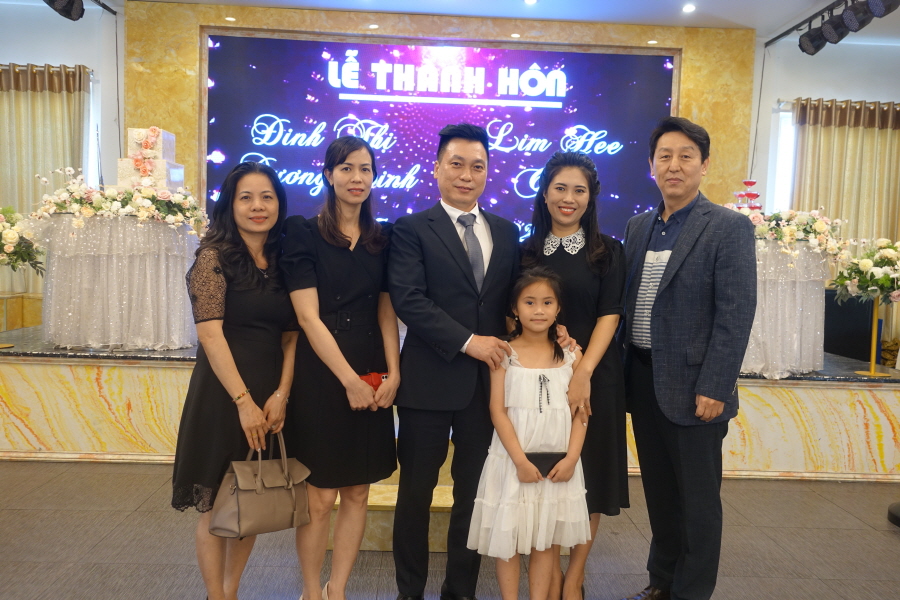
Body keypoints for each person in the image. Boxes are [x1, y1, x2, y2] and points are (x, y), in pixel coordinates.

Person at [619, 117, 756, 600]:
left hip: (697, 388)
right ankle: (662, 581)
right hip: (643, 380)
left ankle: (691, 592)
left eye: (685, 156)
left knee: (697, 502)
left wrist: (715, 385)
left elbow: (736, 314)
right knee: (659, 494)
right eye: (665, 156)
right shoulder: (638, 226)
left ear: (704, 165)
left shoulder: (728, 227)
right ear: (651, 165)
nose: (673, 165)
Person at [388, 123, 522, 600]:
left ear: (488, 172)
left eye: (477, 166)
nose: (467, 175)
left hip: (486, 390)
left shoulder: (506, 231)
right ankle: (410, 591)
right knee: (415, 494)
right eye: (457, 164)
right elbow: (409, 299)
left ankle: (460, 590)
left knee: (474, 495)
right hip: (427, 383)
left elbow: (513, 301)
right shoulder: (410, 229)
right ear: (437, 168)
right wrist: (469, 342)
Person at [171, 162, 299, 600]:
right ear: (230, 205)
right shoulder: (213, 258)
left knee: (249, 500)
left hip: (269, 397)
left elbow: (291, 337)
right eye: (246, 197)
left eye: (267, 197)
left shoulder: (282, 262)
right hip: (223, 396)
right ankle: (217, 595)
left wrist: (281, 393)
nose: (258, 206)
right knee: (215, 504)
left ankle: (232, 590)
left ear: (279, 204)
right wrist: (244, 402)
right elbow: (210, 335)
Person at [281, 136, 400, 600]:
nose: (357, 178)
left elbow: (386, 310)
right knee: (320, 495)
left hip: (372, 366)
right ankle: (311, 590)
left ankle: (339, 589)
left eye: (365, 169)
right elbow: (307, 317)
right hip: (323, 373)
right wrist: (348, 380)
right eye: (347, 168)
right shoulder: (303, 232)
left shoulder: (382, 238)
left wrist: (394, 372)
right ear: (329, 174)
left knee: (357, 492)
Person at [521, 151, 628, 600]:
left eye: (579, 190)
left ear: (591, 197)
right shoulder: (524, 252)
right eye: (560, 188)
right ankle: (545, 572)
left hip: (594, 377)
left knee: (591, 479)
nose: (569, 198)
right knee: (546, 476)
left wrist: (582, 372)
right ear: (545, 194)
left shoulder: (608, 251)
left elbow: (610, 315)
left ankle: (575, 577)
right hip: (537, 383)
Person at [467, 267, 591, 600]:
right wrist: (520, 461)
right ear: (515, 308)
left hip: (558, 463)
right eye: (530, 302)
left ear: (558, 308)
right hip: (512, 461)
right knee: (507, 538)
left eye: (547, 302)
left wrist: (572, 458)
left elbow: (582, 413)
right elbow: (498, 411)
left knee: (546, 539)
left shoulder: (572, 355)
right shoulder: (504, 354)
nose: (539, 310)